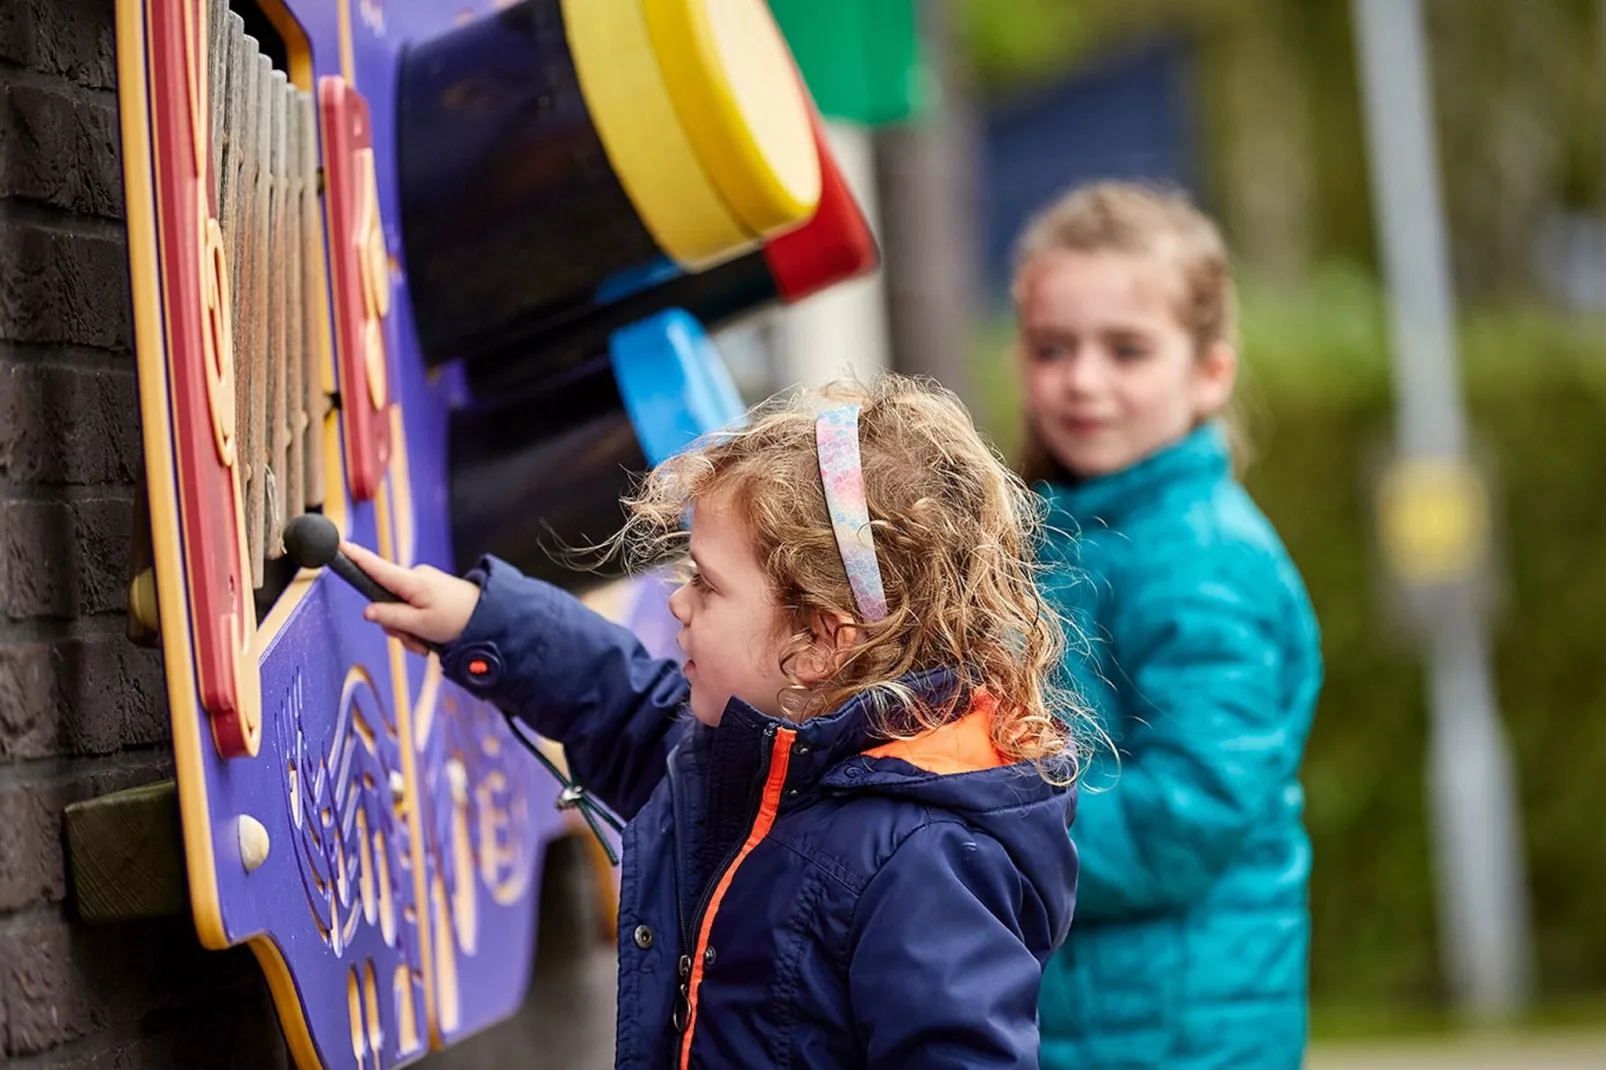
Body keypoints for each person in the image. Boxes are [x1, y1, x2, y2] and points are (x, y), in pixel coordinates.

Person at [347, 375, 1083, 1069]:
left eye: (707, 583)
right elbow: (629, 711)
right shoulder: (758, 762)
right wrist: (487, 621)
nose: (679, 602)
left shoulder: (925, 862)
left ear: (820, 642)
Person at [1016, 182, 1323, 1069]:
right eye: (1052, 347)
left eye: (1127, 350)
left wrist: (996, 838)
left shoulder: (1204, 557)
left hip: (1185, 1030)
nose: (1083, 380)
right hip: (1096, 1010)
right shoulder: (1069, 529)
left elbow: (1188, 816)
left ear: (1209, 372)